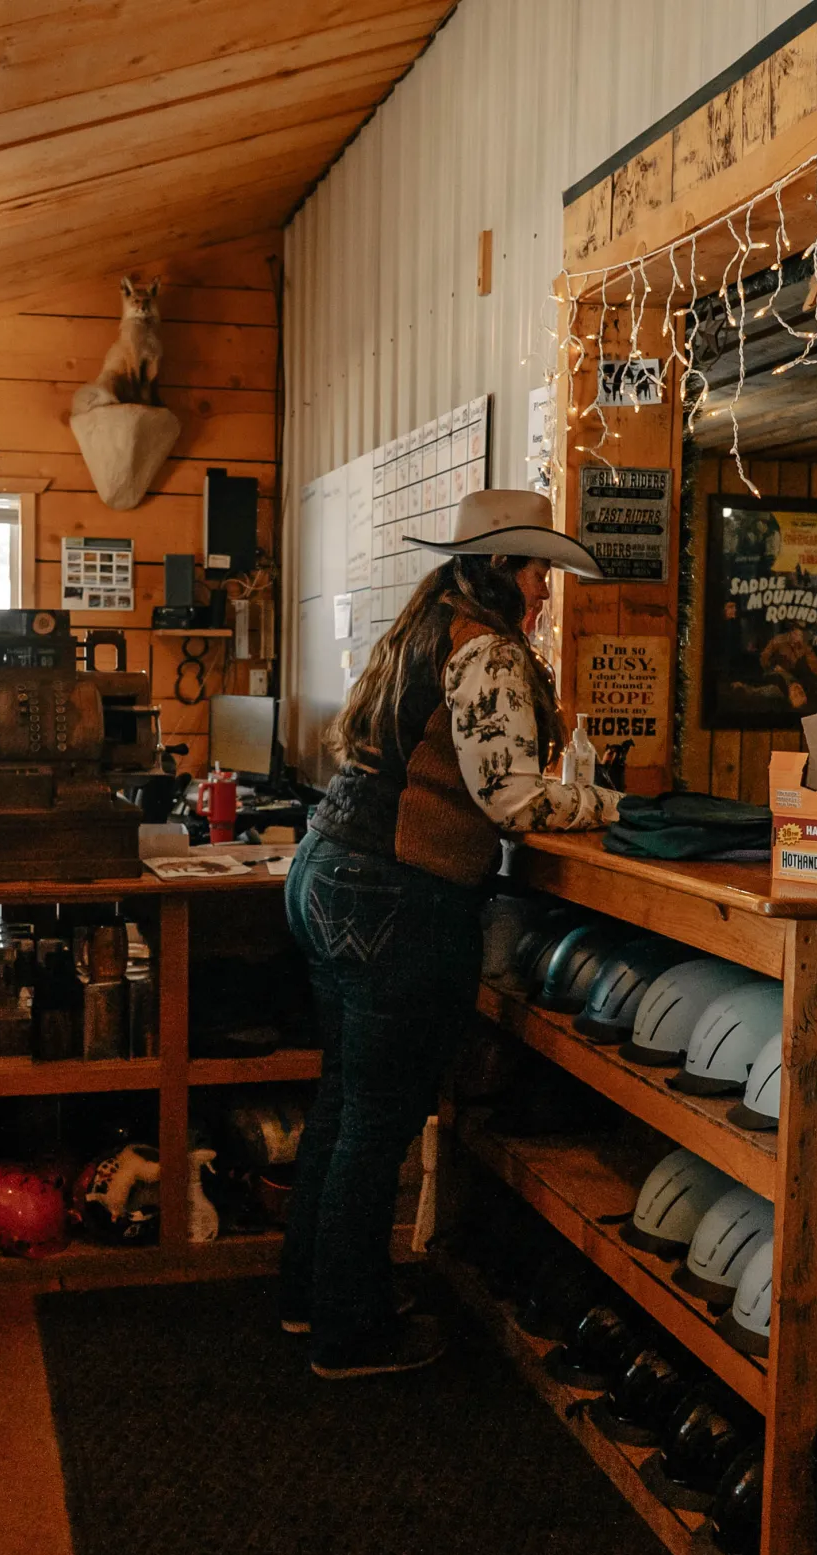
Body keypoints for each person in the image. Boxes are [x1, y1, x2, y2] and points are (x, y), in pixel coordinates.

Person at [283, 489, 621, 1379]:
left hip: (329, 873)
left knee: (342, 1104)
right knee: (377, 1121)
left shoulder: (427, 623)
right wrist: (609, 806)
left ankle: (307, 1298)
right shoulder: (490, 651)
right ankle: (349, 1333)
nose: (545, 589)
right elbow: (509, 796)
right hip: (396, 898)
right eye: (538, 569)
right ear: (504, 570)